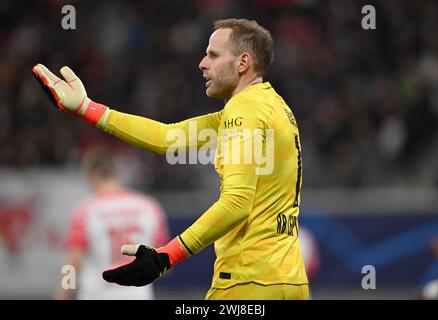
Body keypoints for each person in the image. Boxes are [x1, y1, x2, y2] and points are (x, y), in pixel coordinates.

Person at [34, 18, 309, 300]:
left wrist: (167, 255)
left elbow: (237, 203)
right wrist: (86, 107)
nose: (202, 63)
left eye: (213, 55)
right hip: (289, 280)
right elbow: (167, 138)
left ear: (243, 63)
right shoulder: (272, 106)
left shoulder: (245, 110)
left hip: (248, 282)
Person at [54, 149, 170, 300]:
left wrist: (63, 294)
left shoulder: (85, 211)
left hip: (97, 294)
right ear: (117, 174)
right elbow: (164, 262)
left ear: (92, 176)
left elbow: (72, 263)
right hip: (137, 295)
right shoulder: (150, 207)